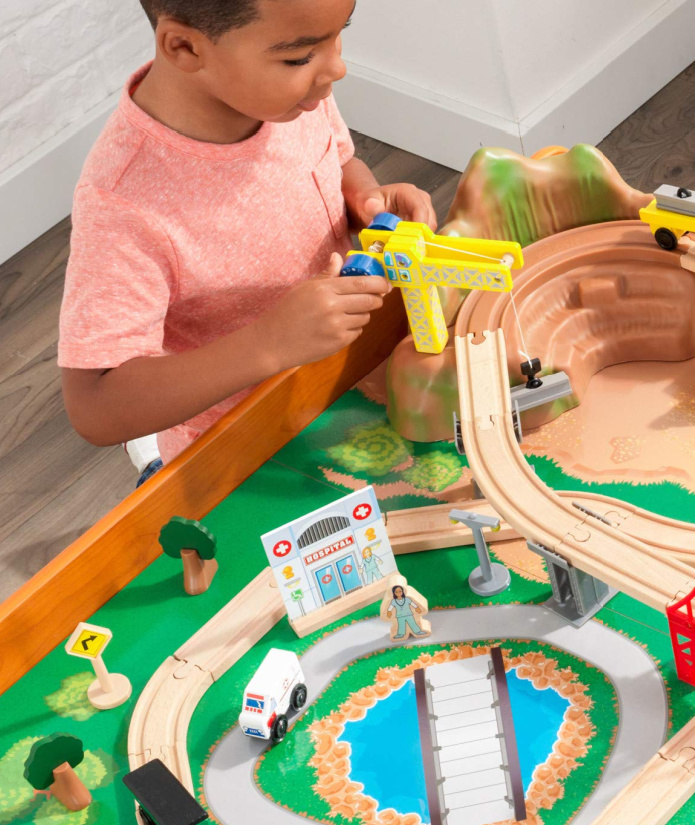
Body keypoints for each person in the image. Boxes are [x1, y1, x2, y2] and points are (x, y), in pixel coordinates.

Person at [58, 0, 438, 482]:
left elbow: (336, 160)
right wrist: (268, 344)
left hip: (344, 387)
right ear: (184, 46)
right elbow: (95, 406)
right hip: (245, 449)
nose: (336, 68)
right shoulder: (123, 205)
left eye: (339, 33)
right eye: (300, 57)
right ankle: (154, 457)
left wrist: (365, 198)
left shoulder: (286, 97)